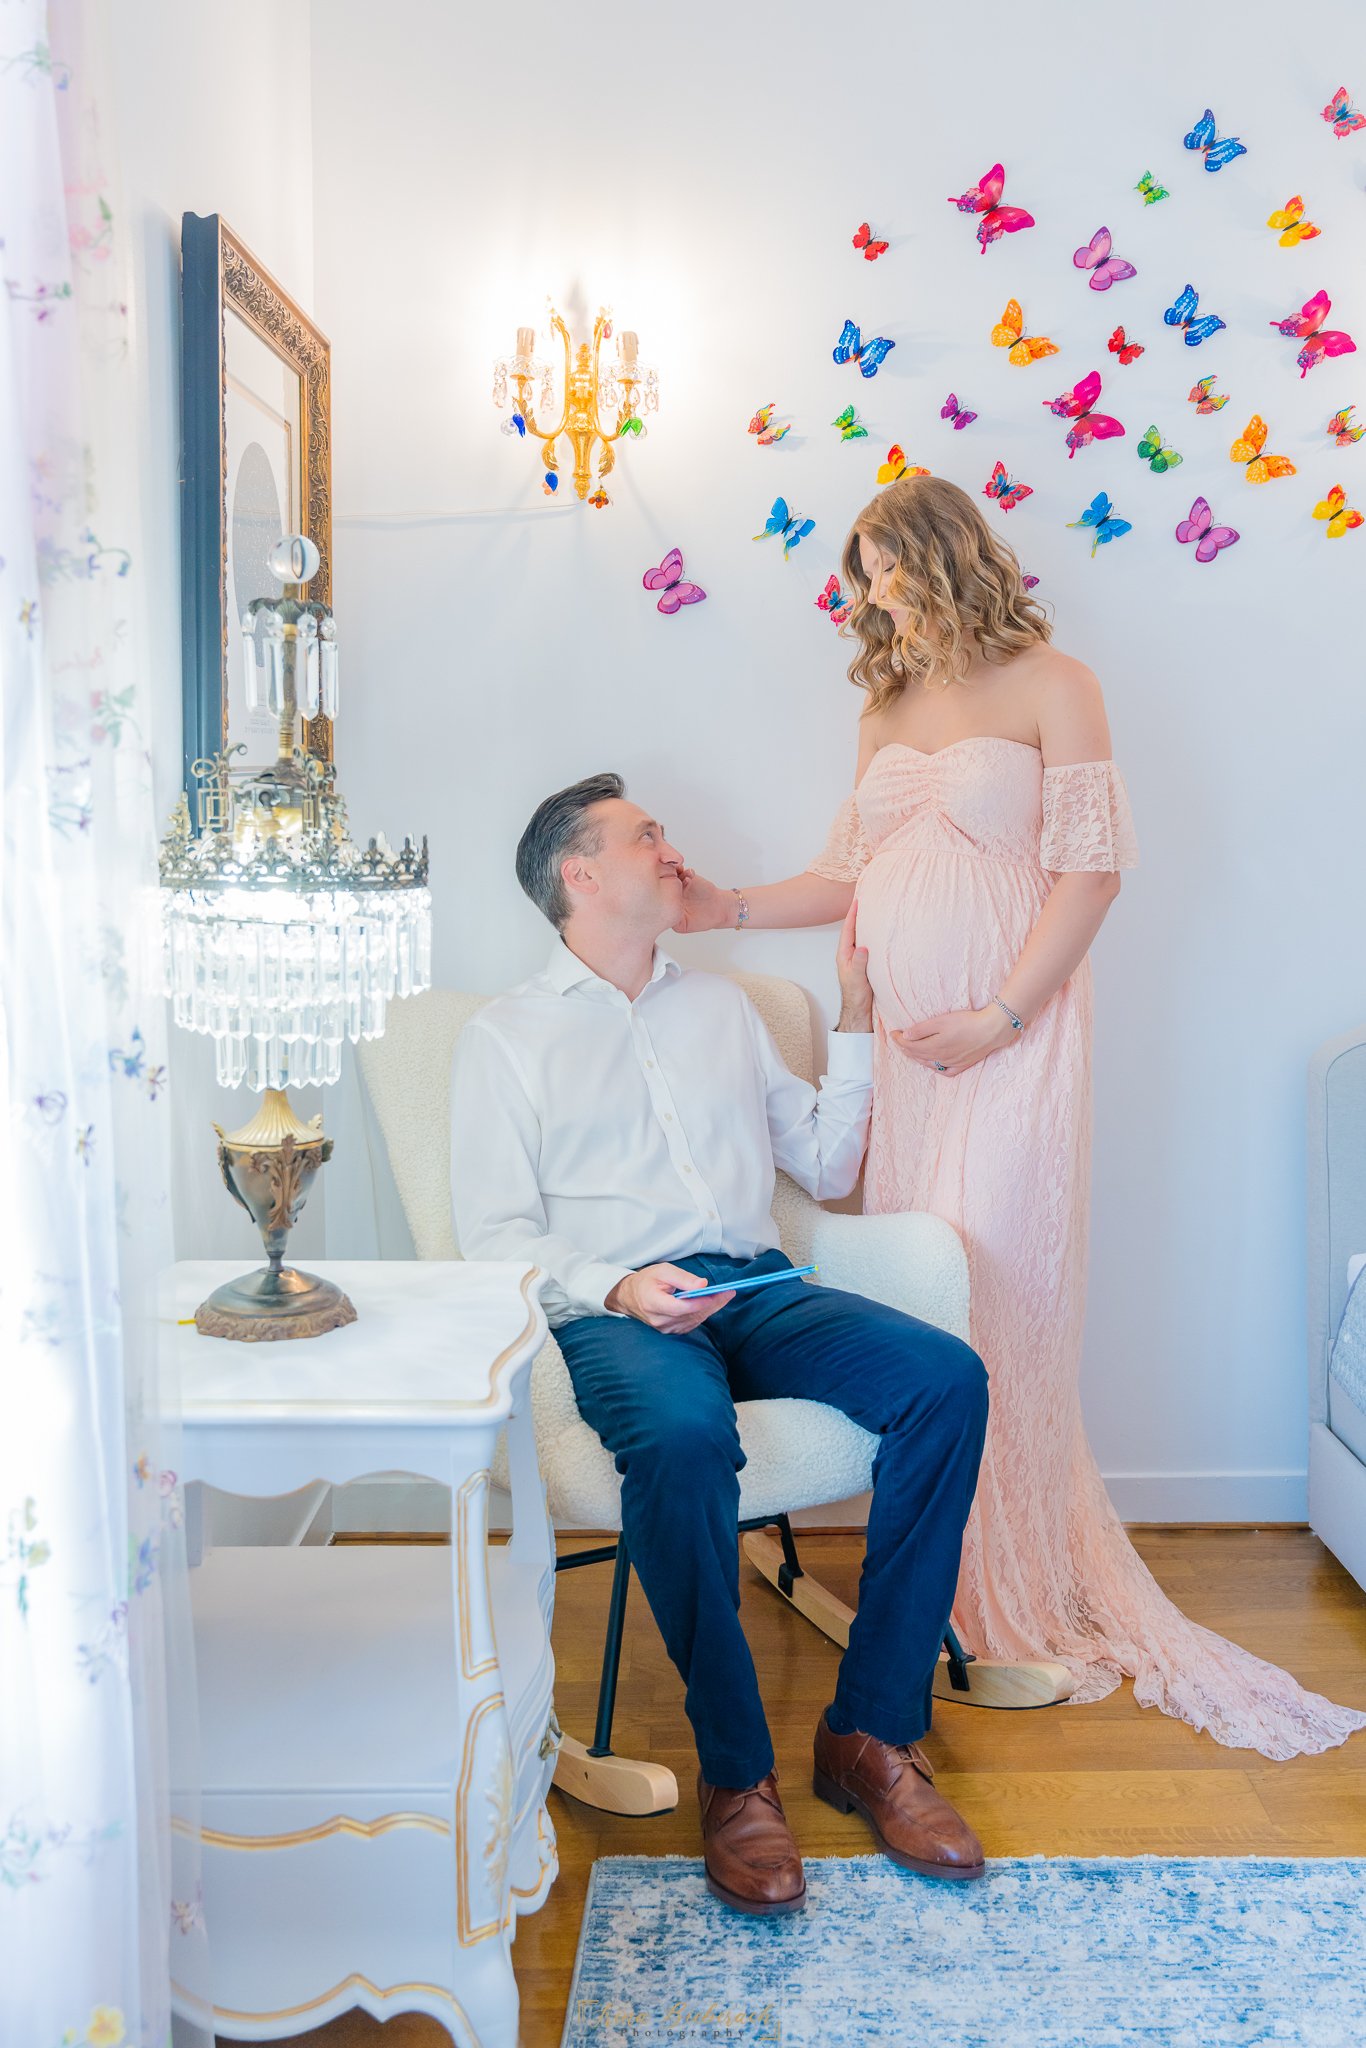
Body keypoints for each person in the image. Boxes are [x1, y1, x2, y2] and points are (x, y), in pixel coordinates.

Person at [677, 474, 1366, 1760]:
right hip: (901, 1049)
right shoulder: (881, 703)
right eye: (862, 571)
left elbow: (1090, 871)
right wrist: (720, 906)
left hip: (1012, 1036)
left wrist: (999, 1014)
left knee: (1003, 1286)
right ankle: (925, 1589)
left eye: (884, 564)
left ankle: (1008, 1586)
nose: (870, 591)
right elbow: (845, 875)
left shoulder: (1057, 680)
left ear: (944, 553)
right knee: (919, 1295)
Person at [451, 771, 991, 1915]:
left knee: (945, 1378)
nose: (670, 849)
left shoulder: (722, 1008)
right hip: (620, 1310)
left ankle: (870, 1736)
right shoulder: (506, 1037)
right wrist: (621, 1282)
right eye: (644, 836)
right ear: (578, 875)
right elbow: (490, 1237)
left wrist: (850, 1011)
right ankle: (738, 1776)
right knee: (687, 1443)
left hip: (759, 1282)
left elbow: (828, 1166)